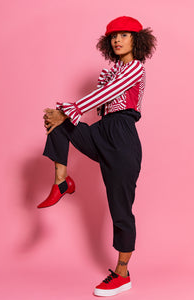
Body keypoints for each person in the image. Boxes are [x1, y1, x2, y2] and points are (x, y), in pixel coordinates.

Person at [37, 16, 156, 297]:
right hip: (102, 131)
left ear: (136, 40)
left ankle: (122, 273)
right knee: (57, 123)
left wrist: (71, 109)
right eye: (113, 36)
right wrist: (65, 114)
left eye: (123, 35)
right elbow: (103, 92)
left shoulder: (135, 68)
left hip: (123, 138)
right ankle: (62, 182)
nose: (117, 40)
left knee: (120, 210)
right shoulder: (114, 70)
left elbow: (111, 92)